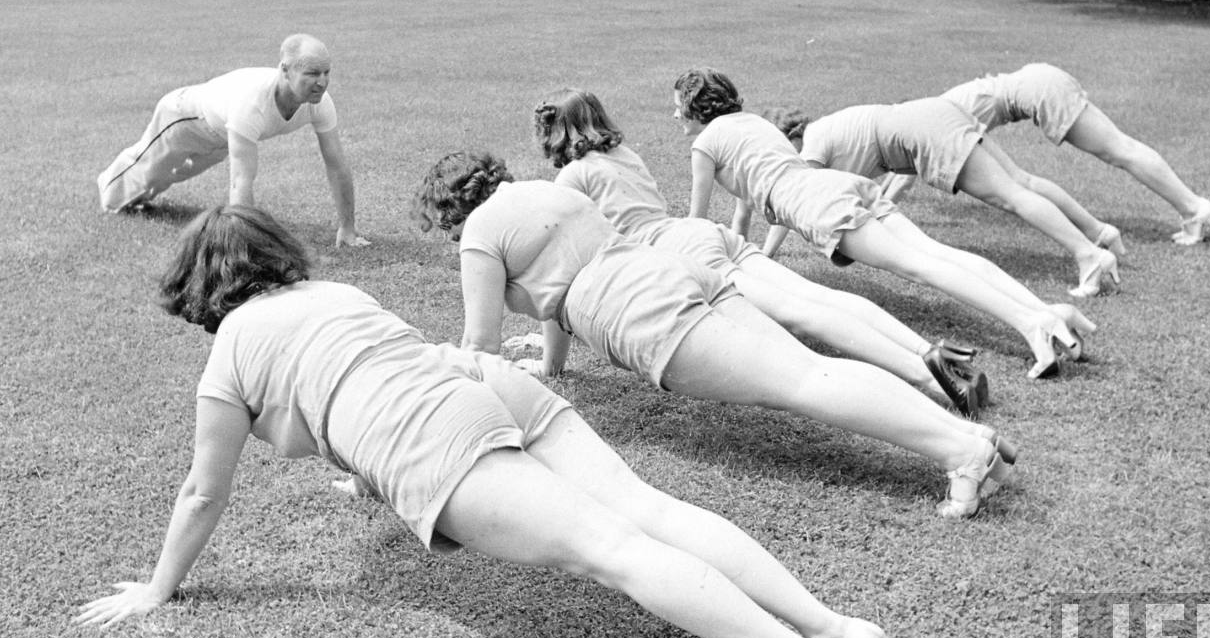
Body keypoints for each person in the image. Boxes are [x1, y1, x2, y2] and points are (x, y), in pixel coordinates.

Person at [73, 204, 907, 638]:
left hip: (431, 428)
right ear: (271, 254)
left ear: (202, 290)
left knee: (615, 551)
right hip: (471, 380)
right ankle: (843, 630)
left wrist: (157, 588)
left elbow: (201, 491)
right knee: (650, 511)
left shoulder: (231, 352)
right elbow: (351, 387)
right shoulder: (335, 293)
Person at [414, 152, 1015, 518]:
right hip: (671, 268)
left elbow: (478, 351)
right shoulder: (548, 192)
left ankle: (961, 451)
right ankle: (966, 438)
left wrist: (430, 438)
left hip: (635, 308)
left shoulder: (479, 235)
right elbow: (559, 288)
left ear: (447, 211)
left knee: (805, 381)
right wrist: (551, 364)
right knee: (807, 367)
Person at [536, 87, 990, 416]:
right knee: (817, 298)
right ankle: (930, 353)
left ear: (554, 133)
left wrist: (548, 360)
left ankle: (927, 377)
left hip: (674, 249)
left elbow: (567, 269)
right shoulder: (625, 155)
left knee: (798, 312)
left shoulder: (572, 178)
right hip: (700, 232)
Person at [673, 67, 1096, 380]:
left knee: (920, 266)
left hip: (814, 202)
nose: (676, 116)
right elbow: (746, 207)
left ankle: (1031, 323)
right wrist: (751, 256)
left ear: (694, 107)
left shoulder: (705, 143)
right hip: (839, 184)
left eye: (678, 107)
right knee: (935, 254)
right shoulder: (757, 124)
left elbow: (697, 221)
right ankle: (1044, 311)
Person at [763, 99, 1119, 298]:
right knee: (1018, 184)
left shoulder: (812, 144)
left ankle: (1088, 254)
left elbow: (798, 199)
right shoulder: (831, 126)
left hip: (925, 131)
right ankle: (1097, 238)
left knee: (1010, 196)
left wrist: (766, 256)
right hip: (936, 113)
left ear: (787, 138)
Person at [96, 34, 369, 247]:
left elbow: (337, 165)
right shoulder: (251, 102)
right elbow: (241, 181)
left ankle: (140, 201)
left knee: (172, 175)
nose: (322, 82)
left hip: (222, 135)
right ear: (285, 70)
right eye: (312, 73)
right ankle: (109, 194)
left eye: (326, 72)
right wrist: (244, 246)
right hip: (184, 118)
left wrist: (347, 228)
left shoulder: (319, 103)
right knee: (147, 168)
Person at [937, 62, 1210, 246]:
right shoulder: (939, 104)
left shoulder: (935, 115)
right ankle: (1192, 209)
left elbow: (908, 166)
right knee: (1122, 149)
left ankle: (1194, 209)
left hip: (1039, 92)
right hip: (1040, 80)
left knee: (1120, 151)